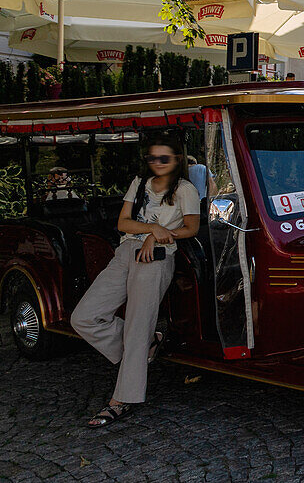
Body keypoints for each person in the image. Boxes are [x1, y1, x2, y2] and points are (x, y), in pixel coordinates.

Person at [70, 137, 200, 428]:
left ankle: (122, 399)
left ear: (177, 160)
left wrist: (157, 235)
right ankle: (146, 345)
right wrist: (152, 227)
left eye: (164, 158)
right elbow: (123, 224)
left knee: (137, 326)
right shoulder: (139, 182)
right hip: (126, 251)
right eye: (152, 158)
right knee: (84, 317)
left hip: (156, 257)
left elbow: (191, 228)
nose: (157, 163)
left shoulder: (185, 190)